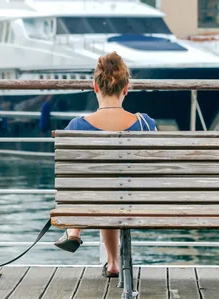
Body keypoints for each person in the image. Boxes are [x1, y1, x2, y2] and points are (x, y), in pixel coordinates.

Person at [53, 51, 156, 278]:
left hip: (98, 200)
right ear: (126, 88)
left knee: (103, 189)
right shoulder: (145, 123)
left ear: (96, 87)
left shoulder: (77, 126)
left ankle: (76, 231)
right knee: (115, 188)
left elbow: (69, 175)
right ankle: (112, 262)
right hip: (146, 203)